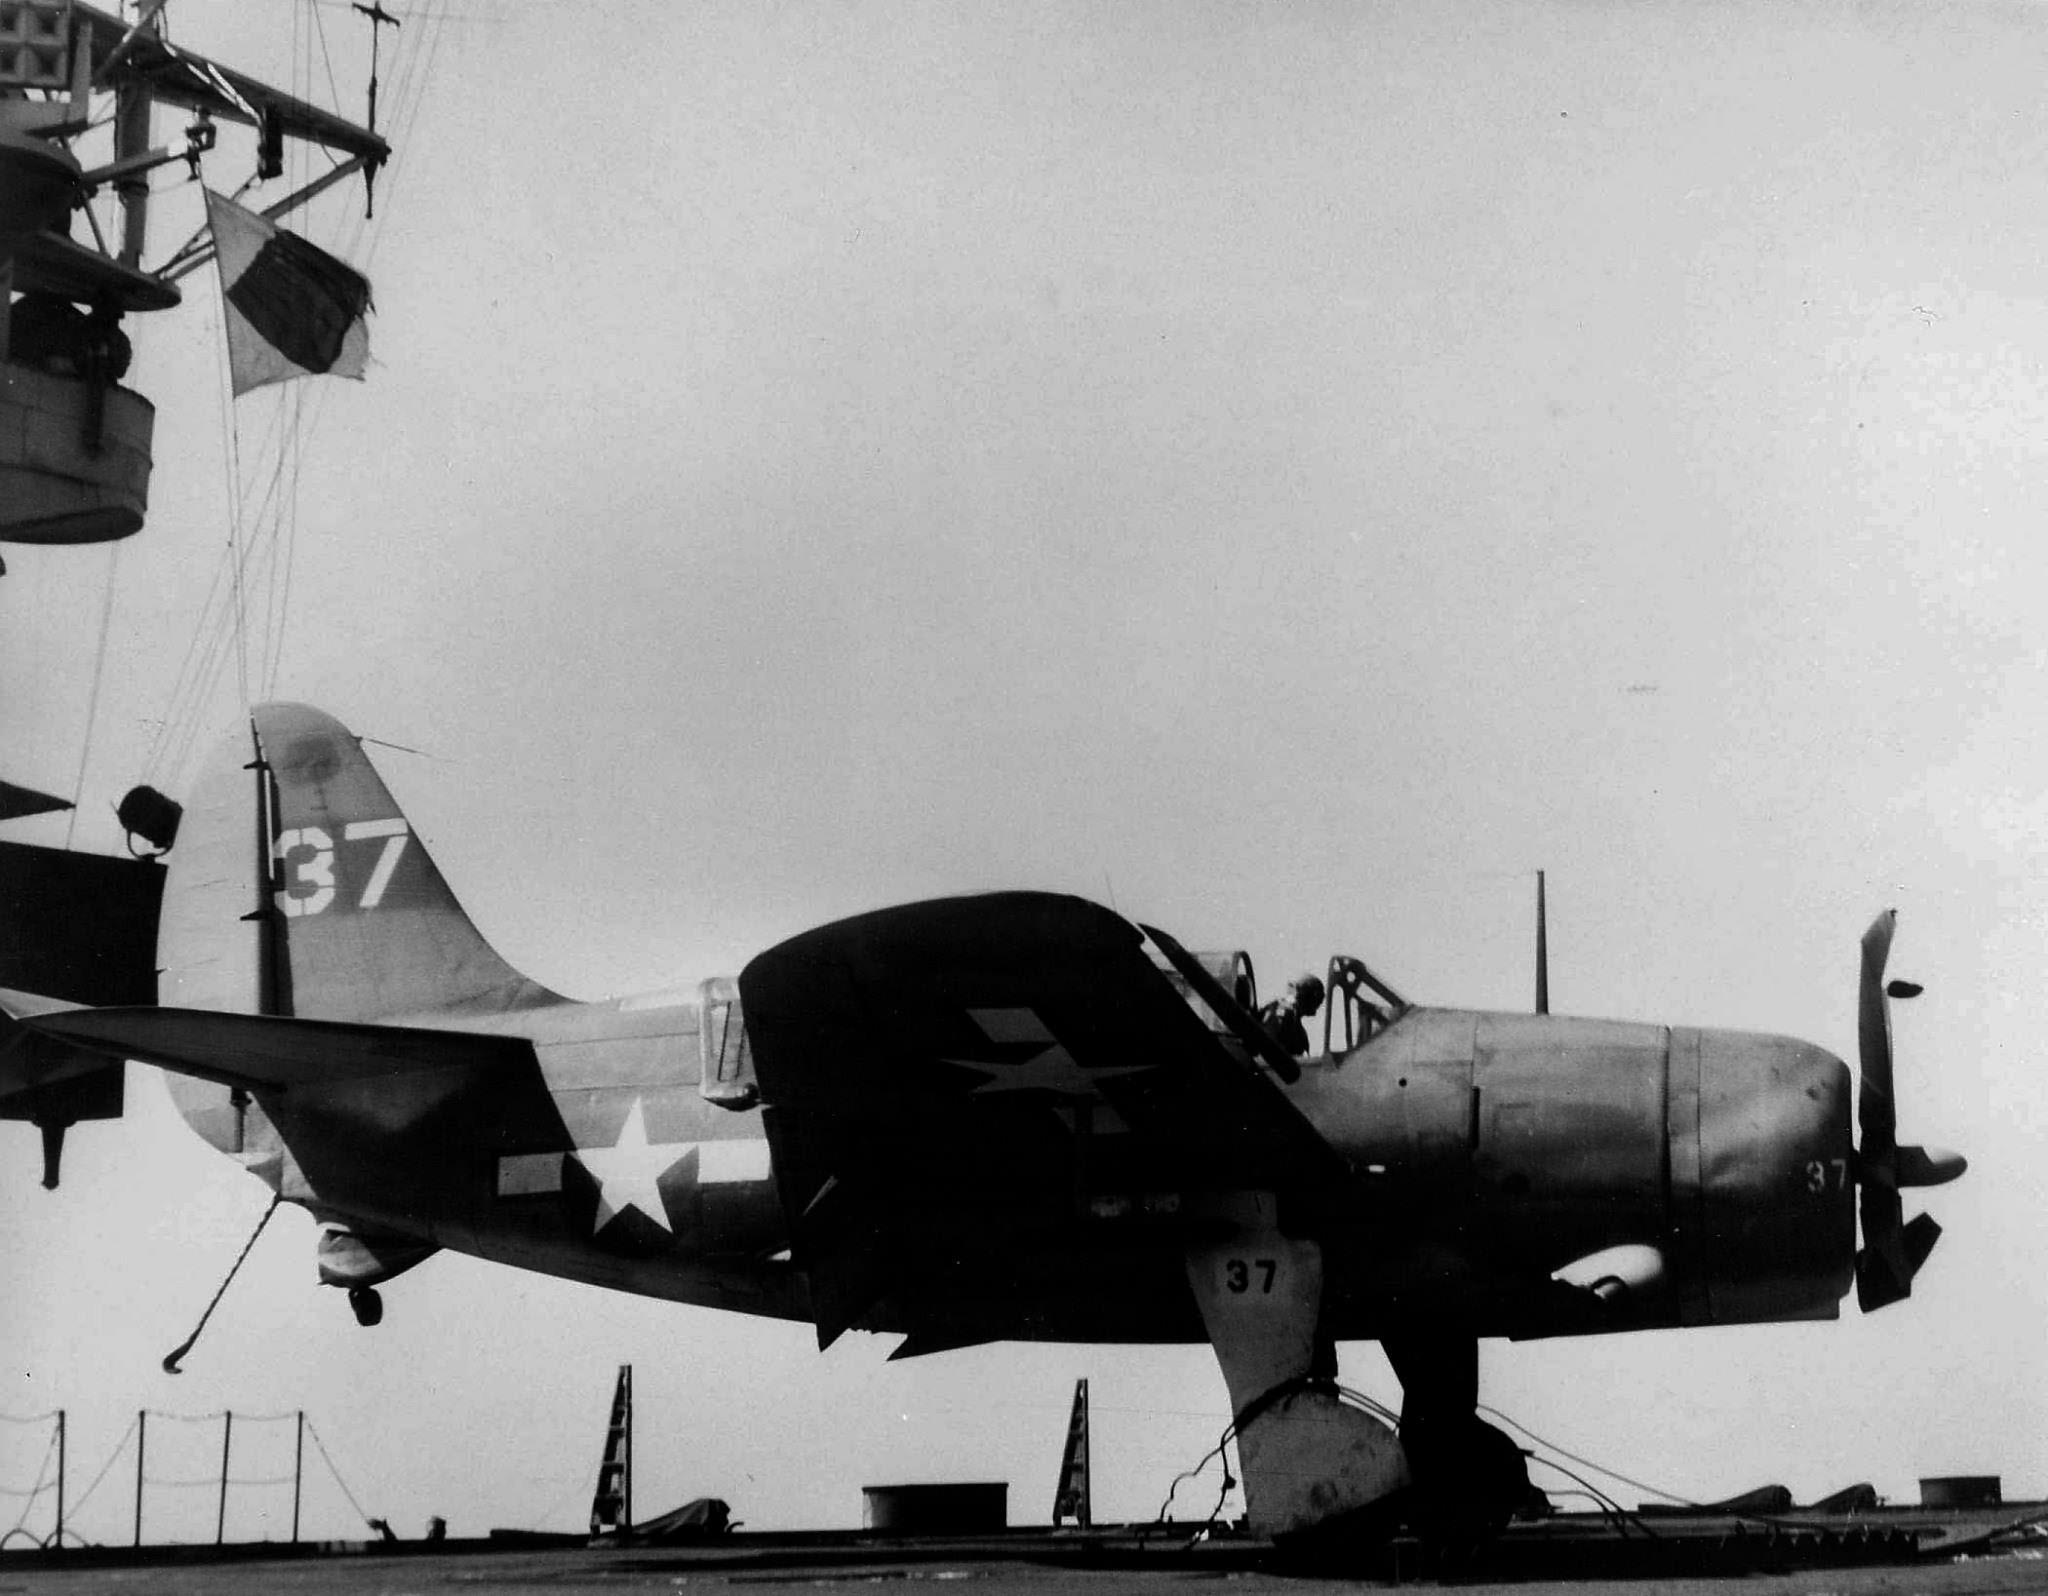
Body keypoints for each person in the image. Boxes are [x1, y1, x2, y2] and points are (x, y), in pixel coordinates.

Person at [1258, 974, 1324, 1056]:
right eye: (1318, 999)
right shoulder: (1283, 1015)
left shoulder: (1291, 1017)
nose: (1319, 1003)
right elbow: (1267, 1050)